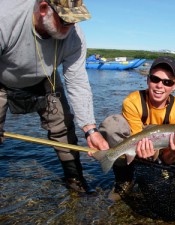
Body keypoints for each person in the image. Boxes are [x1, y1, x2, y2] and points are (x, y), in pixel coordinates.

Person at [0, 0, 109, 194]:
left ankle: (76, 180)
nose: (73, 26)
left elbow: (77, 82)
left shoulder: (75, 37)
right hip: (2, 78)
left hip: (45, 77)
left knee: (64, 129)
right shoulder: (5, 18)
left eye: (76, 20)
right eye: (67, 20)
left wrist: (90, 130)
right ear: (43, 9)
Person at [99, 56, 175, 200]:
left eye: (167, 82)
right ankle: (124, 178)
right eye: (155, 79)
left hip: (166, 151)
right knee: (112, 124)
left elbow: (167, 158)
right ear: (148, 80)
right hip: (141, 145)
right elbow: (136, 138)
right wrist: (144, 152)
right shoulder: (132, 102)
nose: (160, 85)